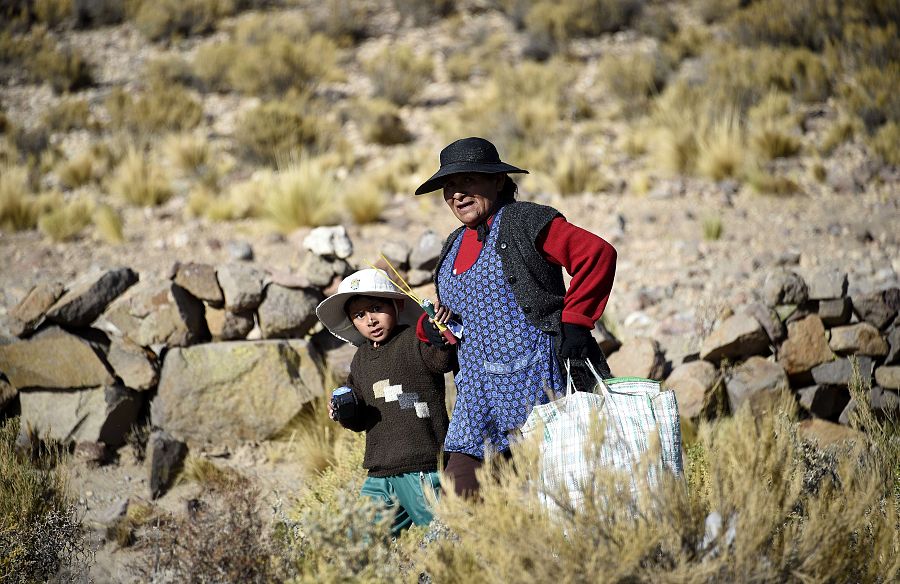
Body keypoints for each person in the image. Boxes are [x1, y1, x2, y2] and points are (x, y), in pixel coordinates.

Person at [414, 136, 617, 497]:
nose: (457, 194)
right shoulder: (453, 245)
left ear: (497, 181)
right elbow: (461, 319)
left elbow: (596, 254)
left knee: (554, 497)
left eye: (467, 181)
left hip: (539, 386)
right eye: (449, 187)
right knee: (460, 499)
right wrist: (435, 329)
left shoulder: (525, 222)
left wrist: (576, 321)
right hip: (477, 399)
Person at [315, 268, 456, 536]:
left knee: (446, 537)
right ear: (351, 322)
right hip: (379, 472)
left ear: (397, 304)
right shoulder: (360, 359)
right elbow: (360, 417)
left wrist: (437, 334)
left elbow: (442, 361)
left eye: (376, 308)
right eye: (359, 315)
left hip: (421, 466)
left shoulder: (414, 340)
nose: (370, 320)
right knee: (360, 540)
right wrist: (343, 411)